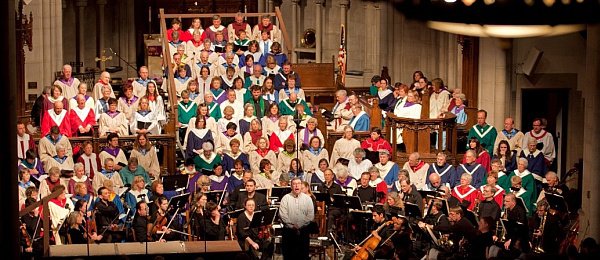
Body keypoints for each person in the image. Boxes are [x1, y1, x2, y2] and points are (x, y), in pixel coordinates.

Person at [279, 178, 314, 260]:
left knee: (303, 256)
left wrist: (300, 225)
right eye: (294, 184)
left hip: (303, 231)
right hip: (289, 232)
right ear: (291, 186)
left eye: (298, 183)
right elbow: (283, 214)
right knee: (288, 256)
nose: (297, 185)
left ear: (301, 185)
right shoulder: (285, 198)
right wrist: (292, 226)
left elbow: (310, 215)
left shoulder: (307, 199)